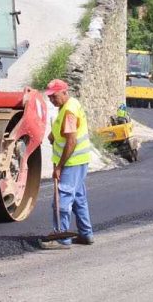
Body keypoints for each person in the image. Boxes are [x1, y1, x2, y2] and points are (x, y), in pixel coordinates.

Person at [40, 79, 94, 250]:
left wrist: (59, 167)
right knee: (78, 198)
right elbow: (65, 132)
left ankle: (62, 237)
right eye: (49, 97)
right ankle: (86, 234)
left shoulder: (69, 111)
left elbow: (71, 141)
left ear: (65, 92)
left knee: (61, 199)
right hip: (79, 161)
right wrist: (53, 135)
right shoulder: (70, 105)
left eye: (54, 96)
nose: (51, 100)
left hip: (72, 162)